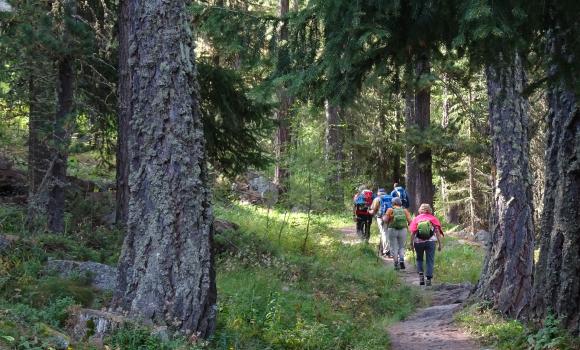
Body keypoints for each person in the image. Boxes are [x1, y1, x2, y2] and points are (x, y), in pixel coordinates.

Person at [409, 203, 444, 286]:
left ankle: (421, 276)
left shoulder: (416, 219)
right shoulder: (433, 219)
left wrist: (411, 243)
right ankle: (428, 279)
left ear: (420, 210)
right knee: (430, 260)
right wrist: (440, 244)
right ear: (429, 210)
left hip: (418, 242)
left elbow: (413, 233)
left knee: (419, 259)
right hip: (430, 242)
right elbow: (437, 232)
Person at [383, 197, 412, 270]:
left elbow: (385, 220)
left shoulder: (390, 210)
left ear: (393, 203)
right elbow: (410, 221)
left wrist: (385, 218)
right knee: (401, 246)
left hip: (392, 229)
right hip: (403, 229)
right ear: (400, 203)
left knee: (394, 247)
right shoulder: (405, 210)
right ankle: (401, 260)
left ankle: (396, 263)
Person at [369, 188, 392, 256]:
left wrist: (369, 211)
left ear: (378, 193)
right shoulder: (391, 198)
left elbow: (373, 211)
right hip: (391, 218)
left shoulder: (377, 199)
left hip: (381, 218)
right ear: (385, 192)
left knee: (384, 233)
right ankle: (386, 249)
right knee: (388, 233)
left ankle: (386, 251)